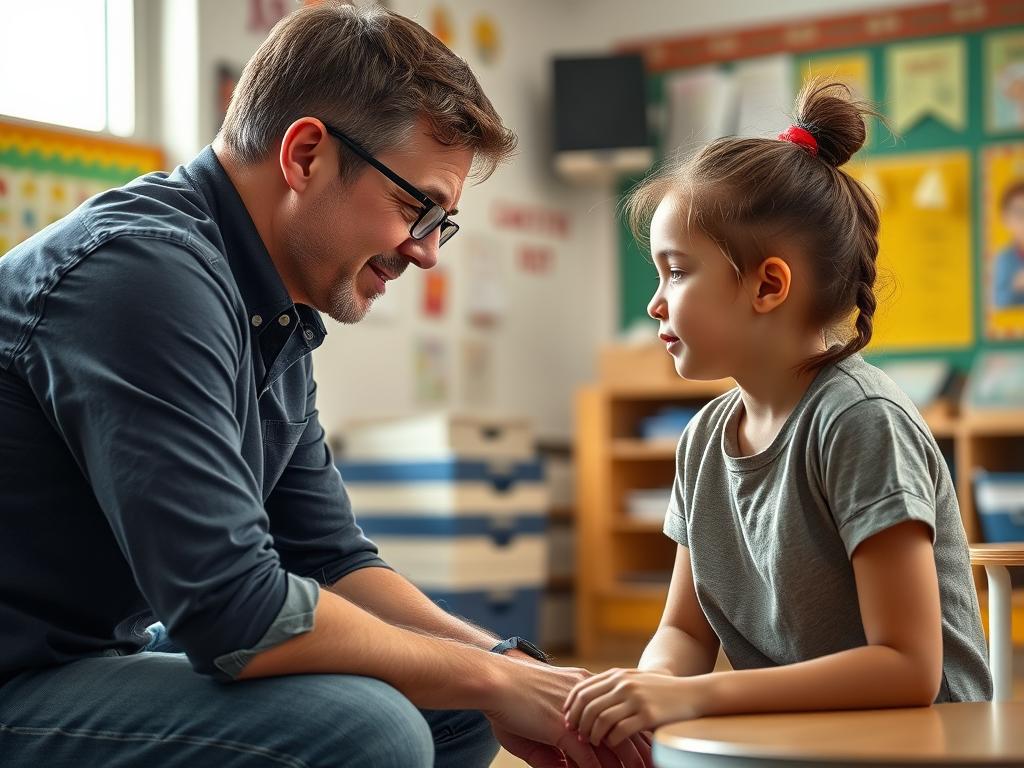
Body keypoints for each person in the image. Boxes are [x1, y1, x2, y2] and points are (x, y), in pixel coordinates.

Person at [0, 4, 652, 767]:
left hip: (79, 651)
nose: (427, 251)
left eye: (441, 222)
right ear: (306, 154)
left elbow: (332, 557)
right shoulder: (143, 276)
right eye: (418, 207)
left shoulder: (269, 314)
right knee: (372, 728)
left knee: (455, 708)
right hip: (22, 673)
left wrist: (509, 667)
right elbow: (234, 611)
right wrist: (492, 675)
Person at [563, 80, 992, 749]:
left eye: (675, 272)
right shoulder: (702, 440)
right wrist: (648, 697)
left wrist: (695, 696)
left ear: (768, 285)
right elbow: (682, 631)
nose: (655, 304)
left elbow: (907, 669)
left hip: (920, 744)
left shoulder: (860, 421)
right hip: (805, 741)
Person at [991, 179, 1024, 309]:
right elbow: (998, 302)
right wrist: (1017, 286)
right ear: (1006, 218)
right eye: (1020, 213)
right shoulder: (1004, 259)